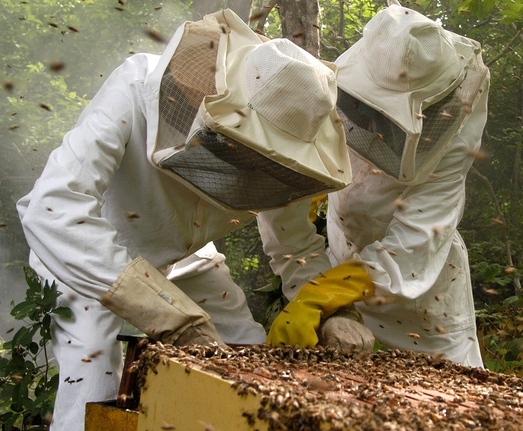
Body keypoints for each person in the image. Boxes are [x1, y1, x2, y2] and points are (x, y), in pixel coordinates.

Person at [16, 9, 351, 430]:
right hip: (86, 255)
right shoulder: (136, 87)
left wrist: (334, 310)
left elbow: (296, 247)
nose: (247, 164)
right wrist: (168, 315)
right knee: (93, 376)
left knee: (246, 359)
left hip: (185, 260)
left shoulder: (284, 152)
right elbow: (53, 208)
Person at [258, 3, 490, 367]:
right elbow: (282, 218)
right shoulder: (322, 98)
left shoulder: (453, 142)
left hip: (426, 307)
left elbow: (414, 243)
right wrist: (316, 293)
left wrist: (325, 294)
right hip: (337, 268)